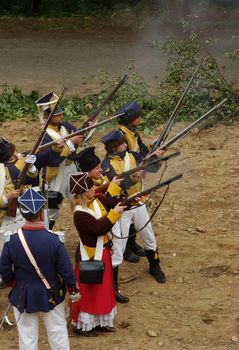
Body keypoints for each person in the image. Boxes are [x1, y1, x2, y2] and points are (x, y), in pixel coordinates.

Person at [0, 187, 80, 350]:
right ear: (42, 214)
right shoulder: (54, 240)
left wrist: (13, 283)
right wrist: (73, 289)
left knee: (27, 337)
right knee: (57, 332)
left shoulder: (11, 241)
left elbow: (3, 269)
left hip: (23, 293)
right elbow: (66, 270)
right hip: (52, 292)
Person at [0, 138, 36, 313]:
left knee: (25, 256)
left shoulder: (6, 168)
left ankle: (25, 293)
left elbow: (27, 179)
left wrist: (30, 166)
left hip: (18, 217)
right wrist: (7, 198)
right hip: (2, 222)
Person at [100, 129, 166, 283]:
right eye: (122, 143)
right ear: (114, 148)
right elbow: (121, 184)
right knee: (119, 247)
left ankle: (154, 266)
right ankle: (112, 283)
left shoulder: (133, 156)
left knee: (149, 237)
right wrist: (135, 176)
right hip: (121, 207)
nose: (125, 144)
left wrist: (156, 157)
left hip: (138, 202)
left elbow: (152, 168)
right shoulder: (107, 165)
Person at [69, 172, 127, 336]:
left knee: (103, 290)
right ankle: (81, 325)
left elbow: (115, 202)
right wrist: (114, 213)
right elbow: (98, 229)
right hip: (91, 255)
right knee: (88, 291)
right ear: (83, 192)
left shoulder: (97, 200)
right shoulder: (79, 214)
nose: (94, 188)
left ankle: (100, 321)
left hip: (104, 252)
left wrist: (130, 200)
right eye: (90, 187)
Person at [70, 146, 129, 304]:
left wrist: (131, 199)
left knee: (115, 257)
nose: (100, 169)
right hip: (100, 234)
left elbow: (107, 200)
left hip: (107, 226)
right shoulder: (81, 211)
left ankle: (113, 289)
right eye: (97, 168)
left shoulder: (94, 188)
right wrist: (113, 189)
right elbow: (98, 226)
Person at [115, 101, 165, 263]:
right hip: (127, 176)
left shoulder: (133, 132)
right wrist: (148, 160)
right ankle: (126, 249)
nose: (139, 119)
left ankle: (132, 243)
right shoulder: (122, 136)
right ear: (130, 119)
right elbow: (130, 157)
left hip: (135, 175)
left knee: (135, 207)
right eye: (137, 117)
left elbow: (141, 151)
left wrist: (152, 148)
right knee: (128, 211)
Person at [35, 92, 85, 229]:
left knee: (80, 200)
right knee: (52, 208)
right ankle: (46, 233)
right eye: (57, 114)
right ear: (48, 116)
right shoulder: (44, 136)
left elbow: (81, 136)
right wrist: (70, 143)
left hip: (72, 169)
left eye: (61, 113)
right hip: (56, 174)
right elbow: (51, 159)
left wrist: (87, 128)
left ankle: (86, 230)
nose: (61, 116)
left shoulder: (65, 126)